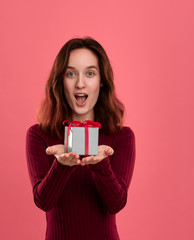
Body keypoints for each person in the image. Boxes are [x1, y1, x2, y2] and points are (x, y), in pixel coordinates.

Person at [26, 37, 135, 240]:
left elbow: (116, 204)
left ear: (102, 81)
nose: (80, 83)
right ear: (60, 80)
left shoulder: (122, 137)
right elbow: (43, 202)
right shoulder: (39, 135)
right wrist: (61, 166)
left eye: (90, 73)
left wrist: (101, 166)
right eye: (71, 73)